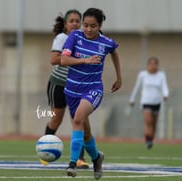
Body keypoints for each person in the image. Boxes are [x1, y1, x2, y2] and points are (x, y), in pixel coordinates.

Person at [61, 8, 122, 179]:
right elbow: (63, 60)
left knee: (78, 119)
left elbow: (114, 52)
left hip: (93, 89)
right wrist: (84, 60)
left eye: (93, 26)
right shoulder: (74, 36)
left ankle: (73, 164)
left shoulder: (106, 42)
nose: (88, 29)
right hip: (72, 91)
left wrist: (119, 77)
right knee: (85, 132)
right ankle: (96, 158)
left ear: (100, 25)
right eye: (85, 25)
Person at [44, 9, 89, 168]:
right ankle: (45, 151)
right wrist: (78, 60)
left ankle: (79, 158)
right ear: (65, 24)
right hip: (59, 84)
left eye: (78, 21)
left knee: (78, 120)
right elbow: (54, 59)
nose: (75, 24)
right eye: (72, 21)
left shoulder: (85, 39)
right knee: (56, 120)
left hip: (76, 86)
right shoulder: (62, 38)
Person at [130, 57, 169, 149]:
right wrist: (132, 99)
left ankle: (151, 139)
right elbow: (137, 86)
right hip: (146, 101)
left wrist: (165, 94)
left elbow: (164, 86)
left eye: (155, 64)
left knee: (154, 124)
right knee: (148, 121)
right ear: (148, 65)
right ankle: (147, 141)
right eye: (151, 64)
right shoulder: (142, 75)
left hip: (156, 102)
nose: (153, 66)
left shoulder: (161, 75)